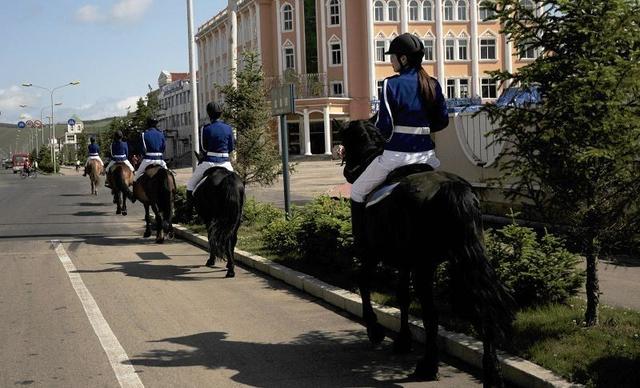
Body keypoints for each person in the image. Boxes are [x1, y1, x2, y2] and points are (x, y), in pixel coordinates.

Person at [350, 32, 449, 256]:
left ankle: (360, 246)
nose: (390, 60)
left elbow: (385, 126)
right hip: (427, 158)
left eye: (392, 56)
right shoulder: (433, 84)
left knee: (356, 191)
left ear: (403, 59)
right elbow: (442, 121)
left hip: (396, 157)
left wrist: (379, 138)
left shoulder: (390, 85)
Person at [184, 101, 235, 218]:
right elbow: (232, 147)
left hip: (209, 162)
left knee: (191, 185)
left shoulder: (205, 128)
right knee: (236, 183)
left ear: (209, 114)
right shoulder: (228, 128)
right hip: (226, 163)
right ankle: (240, 210)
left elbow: (204, 147)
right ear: (220, 114)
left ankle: (189, 212)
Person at [133, 117, 167, 182]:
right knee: (169, 175)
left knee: (135, 178)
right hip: (160, 160)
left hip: (147, 160)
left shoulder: (143, 134)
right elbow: (163, 147)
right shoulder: (161, 134)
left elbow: (142, 149)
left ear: (148, 124)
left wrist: (144, 154)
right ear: (156, 124)